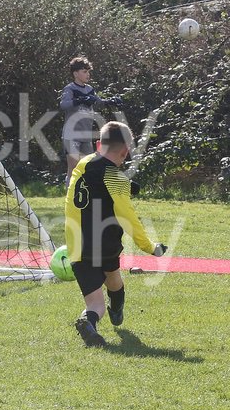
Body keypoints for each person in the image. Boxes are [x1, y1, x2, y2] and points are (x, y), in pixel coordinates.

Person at [64, 121, 167, 347]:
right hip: (106, 243)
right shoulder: (116, 179)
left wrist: (126, 185)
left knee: (95, 304)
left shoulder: (83, 163)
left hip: (77, 245)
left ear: (98, 144)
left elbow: (97, 180)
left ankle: (88, 320)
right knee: (114, 279)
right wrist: (150, 246)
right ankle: (117, 309)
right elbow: (128, 218)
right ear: (125, 152)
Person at [60, 56, 122, 187]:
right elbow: (64, 105)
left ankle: (85, 194)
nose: (88, 74)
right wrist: (80, 100)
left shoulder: (89, 89)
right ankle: (69, 194)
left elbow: (98, 102)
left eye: (88, 71)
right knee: (73, 167)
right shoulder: (70, 88)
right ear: (75, 74)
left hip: (86, 135)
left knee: (88, 167)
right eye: (84, 71)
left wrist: (111, 101)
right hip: (72, 134)